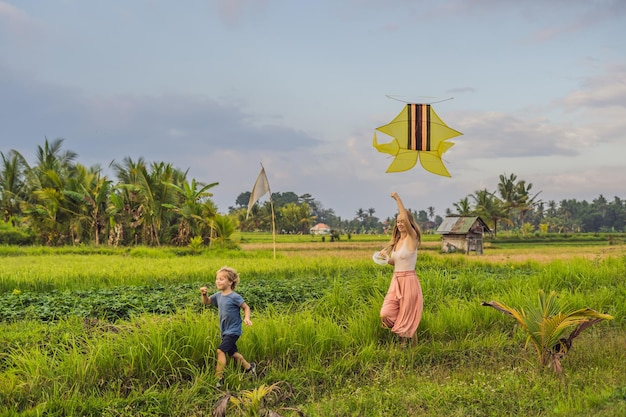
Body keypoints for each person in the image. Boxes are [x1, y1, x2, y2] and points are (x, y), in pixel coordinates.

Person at [378, 192, 424, 346]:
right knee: (386, 313)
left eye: (402, 221)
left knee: (407, 314)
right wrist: (384, 259)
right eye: (397, 222)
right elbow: (395, 262)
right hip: (396, 280)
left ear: (408, 223)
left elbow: (404, 217)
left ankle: (411, 347)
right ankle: (404, 339)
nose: (400, 224)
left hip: (409, 280)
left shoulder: (412, 239)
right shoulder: (397, 241)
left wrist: (397, 199)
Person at [200, 266, 256, 387]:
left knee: (220, 350)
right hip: (225, 331)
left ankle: (218, 379)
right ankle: (249, 368)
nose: (218, 281)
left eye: (221, 279)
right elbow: (207, 302)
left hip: (234, 330)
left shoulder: (234, 296)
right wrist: (204, 294)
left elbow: (246, 307)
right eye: (217, 279)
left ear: (230, 282)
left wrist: (246, 318)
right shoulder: (218, 296)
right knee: (233, 354)